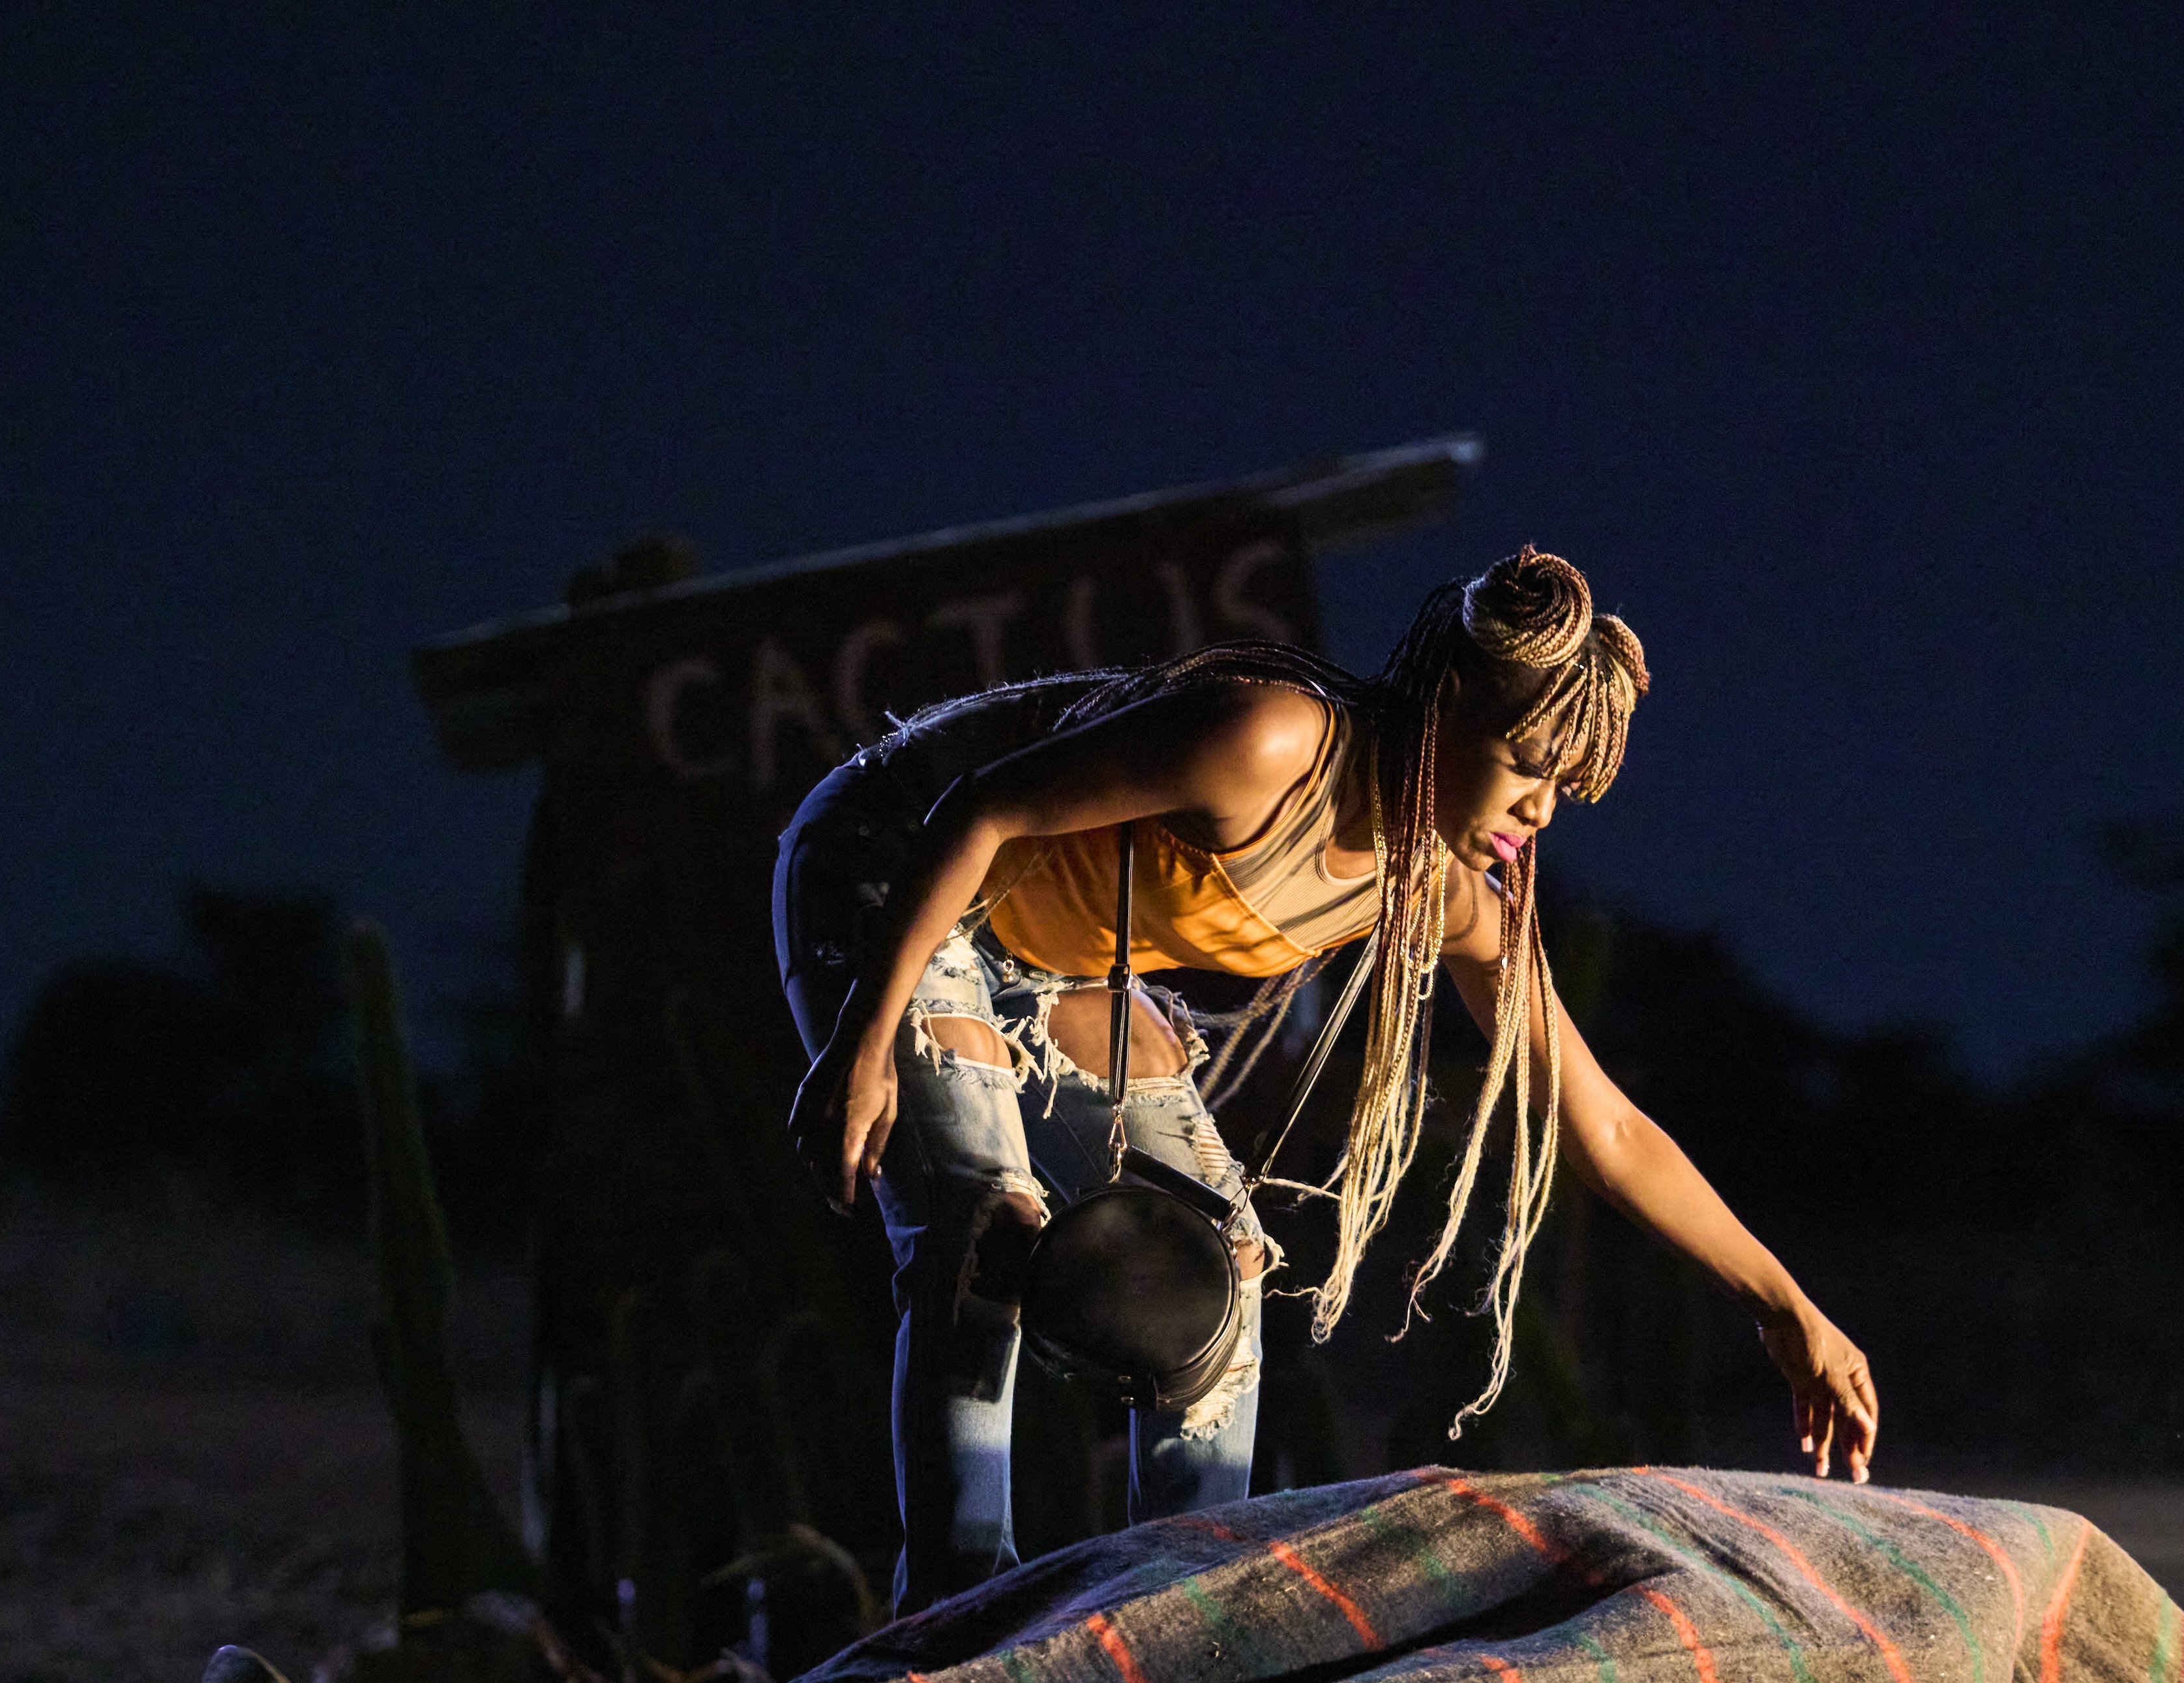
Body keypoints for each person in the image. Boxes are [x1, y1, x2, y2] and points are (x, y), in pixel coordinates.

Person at [777, 547, 1879, 1615]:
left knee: (1221, 1269)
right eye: (1530, 761)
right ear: (1448, 702)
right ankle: (952, 1606)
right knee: (978, 1220)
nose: (1544, 807)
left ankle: (1168, 1616)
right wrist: (865, 1043)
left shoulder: (1443, 895)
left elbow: (1607, 1128)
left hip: (1058, 958)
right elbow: (978, 811)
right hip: (895, 862)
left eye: (1566, 786)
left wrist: (1786, 1307)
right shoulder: (1271, 738)